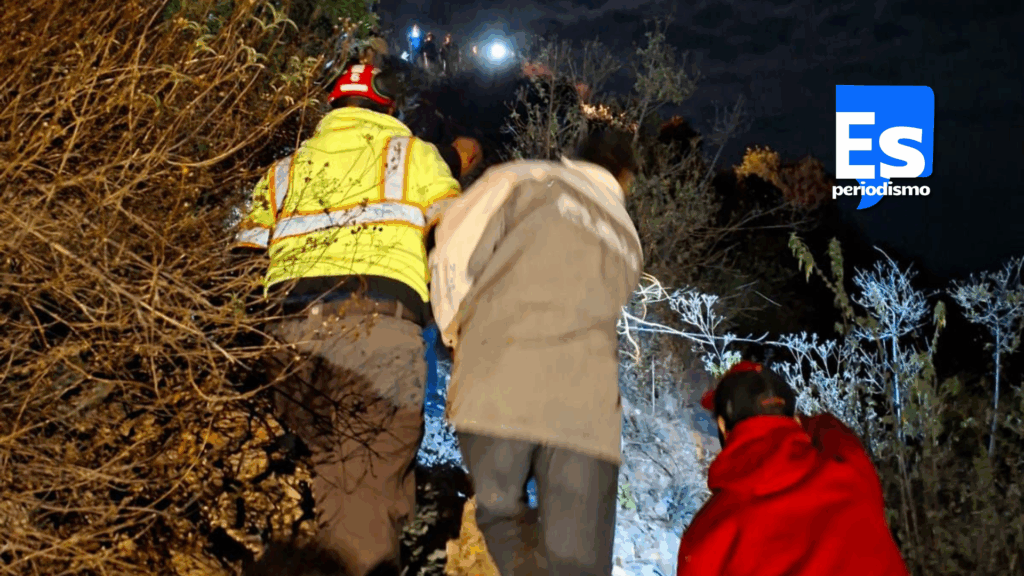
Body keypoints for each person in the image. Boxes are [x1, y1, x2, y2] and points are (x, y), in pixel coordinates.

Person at [232, 62, 461, 576]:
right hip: (376, 336)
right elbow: (456, 241)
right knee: (363, 492)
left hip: (288, 342)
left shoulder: (284, 170)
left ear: (333, 107)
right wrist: (458, 330)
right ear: (389, 107)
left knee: (351, 482)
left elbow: (243, 260)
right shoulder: (413, 156)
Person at [428, 125, 643, 575]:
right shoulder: (628, 237)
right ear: (625, 178)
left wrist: (456, 335)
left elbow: (454, 254)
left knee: (500, 511)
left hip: (498, 383)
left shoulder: (522, 178)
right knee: (579, 562)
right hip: (588, 412)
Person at [677, 360, 911, 576]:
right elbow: (830, 427)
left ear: (722, 426)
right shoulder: (850, 469)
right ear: (795, 420)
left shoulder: (709, 532)